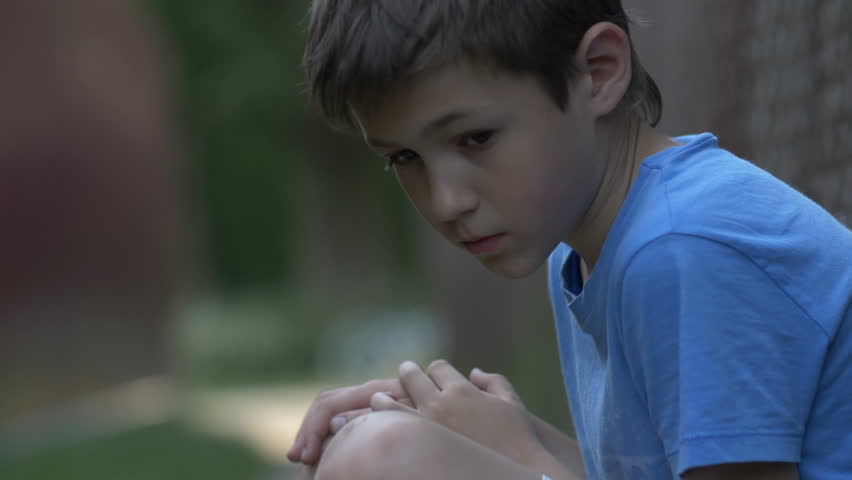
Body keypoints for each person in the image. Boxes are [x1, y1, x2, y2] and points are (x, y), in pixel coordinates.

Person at [287, 1, 852, 479]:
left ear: (599, 72)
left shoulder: (684, 247)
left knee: (380, 457)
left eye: (475, 137)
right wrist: (474, 430)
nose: (445, 201)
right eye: (404, 158)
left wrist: (522, 460)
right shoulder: (590, 247)